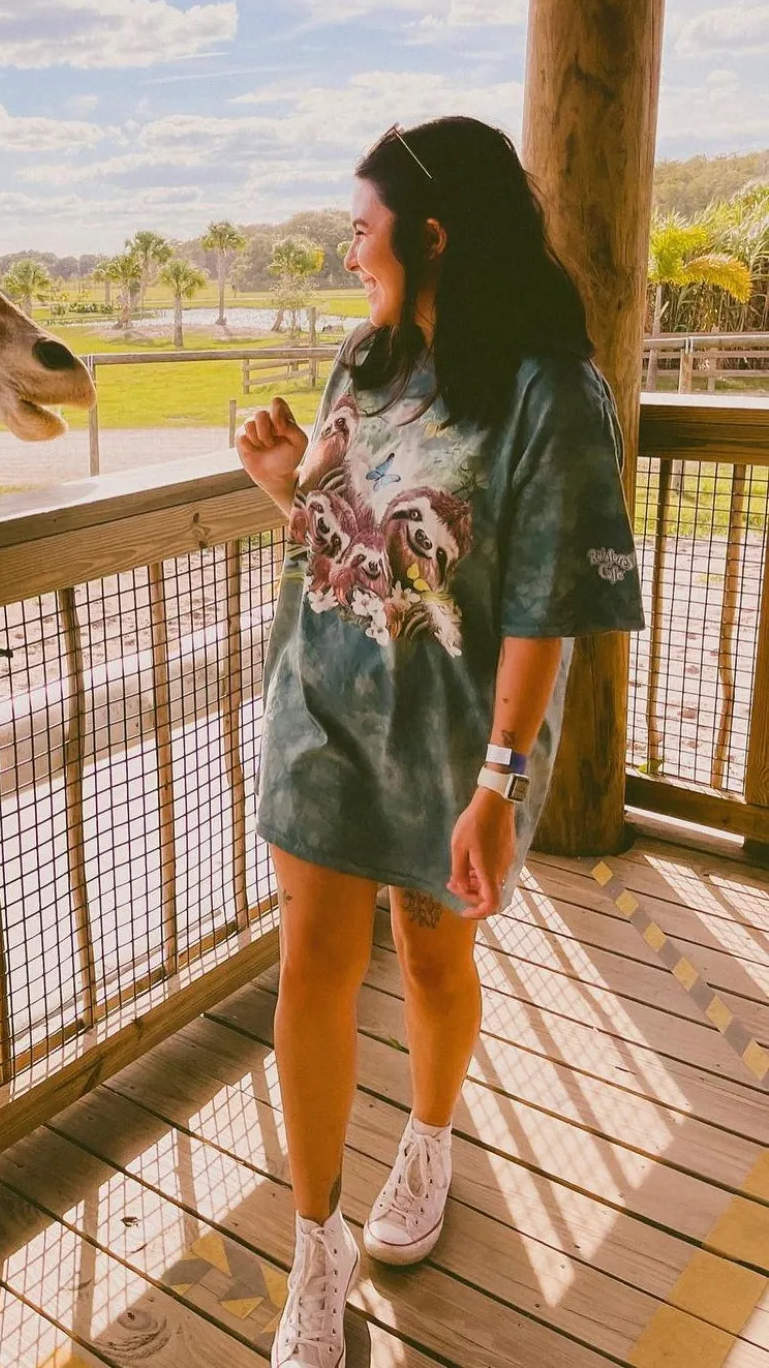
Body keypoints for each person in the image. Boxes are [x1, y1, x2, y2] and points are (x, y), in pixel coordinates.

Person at [235, 117, 646, 1368]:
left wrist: (501, 784)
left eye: (360, 228)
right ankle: (316, 1250)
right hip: (321, 705)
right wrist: (283, 482)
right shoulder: (361, 359)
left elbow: (545, 607)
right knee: (312, 963)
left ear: (433, 234)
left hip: (456, 741)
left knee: (427, 954)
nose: (346, 249)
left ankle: (429, 1134)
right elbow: (347, 512)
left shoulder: (548, 392)